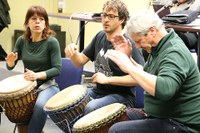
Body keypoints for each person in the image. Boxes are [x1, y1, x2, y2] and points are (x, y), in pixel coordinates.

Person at [107, 10, 200, 133]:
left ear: (152, 31)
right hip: (160, 116)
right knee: (113, 118)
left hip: (181, 124)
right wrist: (129, 59)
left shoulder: (174, 52)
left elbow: (165, 90)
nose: (138, 46)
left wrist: (129, 67)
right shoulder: (157, 47)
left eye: (139, 41)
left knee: (116, 130)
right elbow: (148, 76)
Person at [65, 0, 145, 115]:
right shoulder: (100, 36)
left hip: (123, 96)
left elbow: (138, 78)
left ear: (122, 19)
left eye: (111, 16)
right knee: (72, 103)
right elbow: (80, 61)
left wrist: (108, 80)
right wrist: (73, 53)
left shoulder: (128, 44)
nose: (106, 20)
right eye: (104, 15)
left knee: (91, 107)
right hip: (98, 91)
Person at [5, 5, 61, 133]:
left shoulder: (52, 42)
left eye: (41, 19)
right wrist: (10, 62)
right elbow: (10, 66)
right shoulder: (21, 40)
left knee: (40, 106)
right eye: (33, 18)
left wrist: (37, 75)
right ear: (27, 23)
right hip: (28, 86)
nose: (37, 22)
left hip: (48, 86)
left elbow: (57, 70)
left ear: (45, 23)